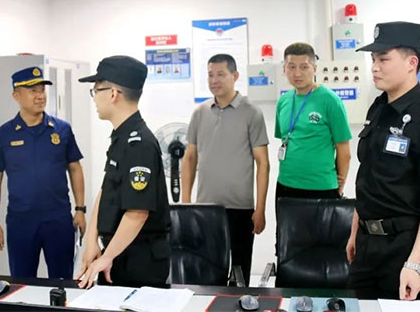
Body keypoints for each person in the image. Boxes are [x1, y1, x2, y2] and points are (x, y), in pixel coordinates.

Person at [346, 21, 420, 300]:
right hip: (367, 246)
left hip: (406, 247)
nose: (374, 67)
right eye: (373, 60)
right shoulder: (378, 109)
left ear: (412, 63)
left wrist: (414, 263)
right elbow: (369, 178)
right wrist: (354, 232)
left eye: (383, 59)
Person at [76, 56, 170, 288]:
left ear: (113, 94)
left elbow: (137, 213)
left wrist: (107, 257)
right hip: (118, 252)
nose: (94, 98)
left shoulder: (140, 145)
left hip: (140, 261)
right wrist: (91, 241)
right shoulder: (122, 137)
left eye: (96, 90)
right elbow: (106, 190)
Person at [0, 66, 86, 279]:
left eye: (42, 90)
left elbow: (75, 168)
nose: (40, 96)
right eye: (33, 91)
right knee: (22, 282)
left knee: (62, 281)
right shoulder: (3, 135)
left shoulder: (62, 129)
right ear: (16, 96)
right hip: (21, 221)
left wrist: (80, 209)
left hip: (58, 218)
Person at [181, 53, 270, 286]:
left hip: (240, 208)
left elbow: (263, 163)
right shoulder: (200, 112)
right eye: (210, 75)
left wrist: (260, 209)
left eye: (221, 74)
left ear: (235, 76)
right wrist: (185, 203)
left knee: (240, 274)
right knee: (207, 272)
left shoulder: (251, 112)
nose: (214, 80)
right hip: (206, 209)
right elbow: (189, 158)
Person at [274, 43, 352, 199]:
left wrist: (340, 184)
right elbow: (285, 138)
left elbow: (344, 150)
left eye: (304, 67)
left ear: (314, 68)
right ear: (284, 69)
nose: (297, 73)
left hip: (321, 187)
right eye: (291, 67)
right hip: (285, 184)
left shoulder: (330, 100)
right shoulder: (283, 101)